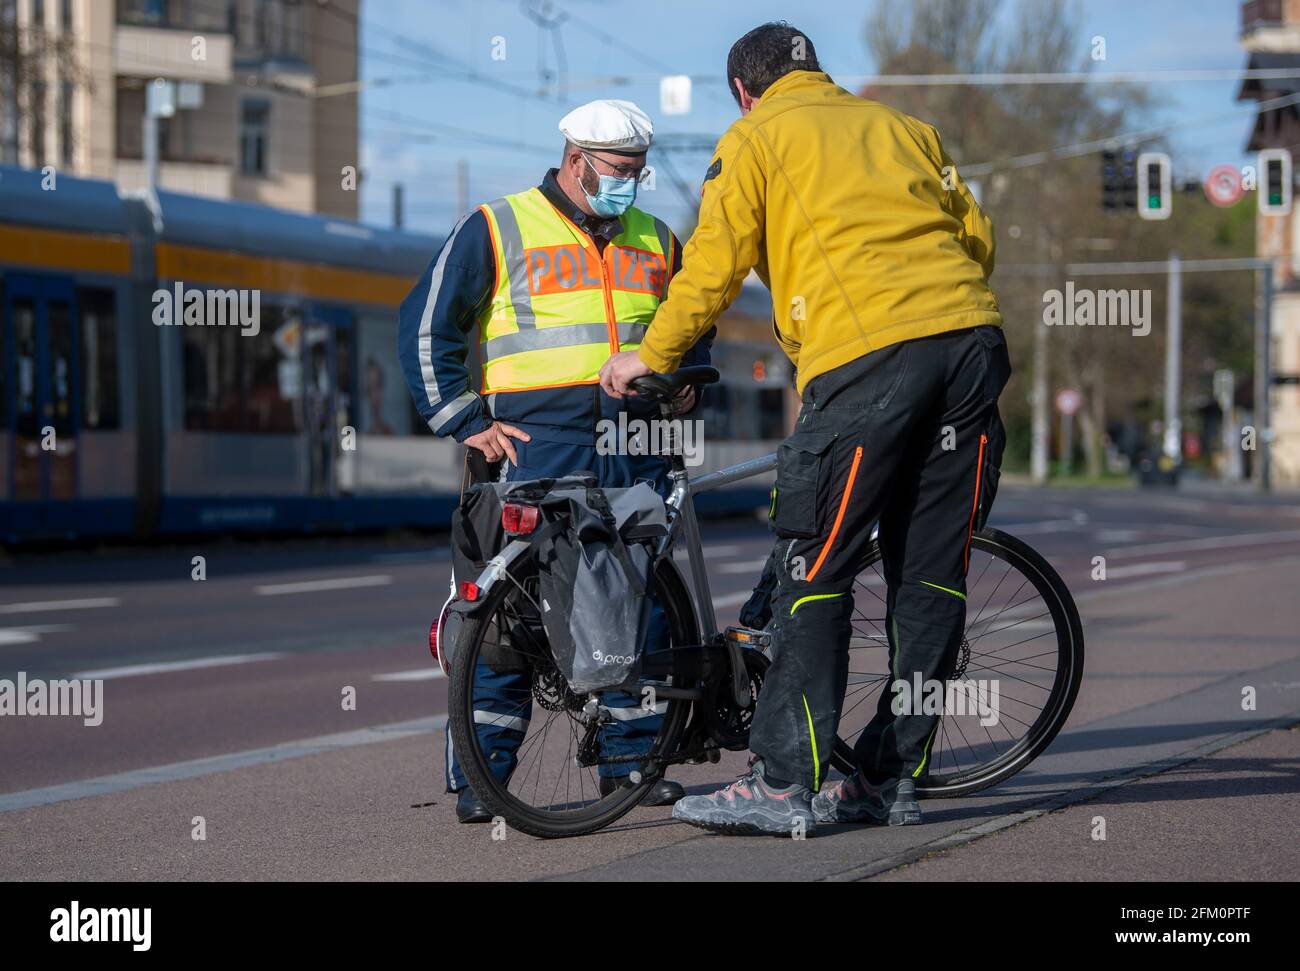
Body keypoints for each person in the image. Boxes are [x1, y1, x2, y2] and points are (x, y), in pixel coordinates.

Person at [600, 23, 1011, 836]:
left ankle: (786, 781)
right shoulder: (903, 129)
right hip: (971, 346)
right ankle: (891, 780)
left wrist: (645, 356)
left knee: (812, 565)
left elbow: (712, 268)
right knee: (928, 574)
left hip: (866, 357)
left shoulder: (753, 139)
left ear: (743, 92)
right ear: (818, 73)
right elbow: (978, 240)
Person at [399, 99, 714, 823]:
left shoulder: (658, 239)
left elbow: (691, 322)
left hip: (633, 449)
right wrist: (464, 421)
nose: (630, 184)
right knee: (509, 623)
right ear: (576, 161)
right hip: (533, 448)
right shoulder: (497, 227)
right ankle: (484, 780)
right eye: (618, 171)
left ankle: (631, 760)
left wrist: (689, 379)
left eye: (638, 172)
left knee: (638, 606)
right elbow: (425, 324)